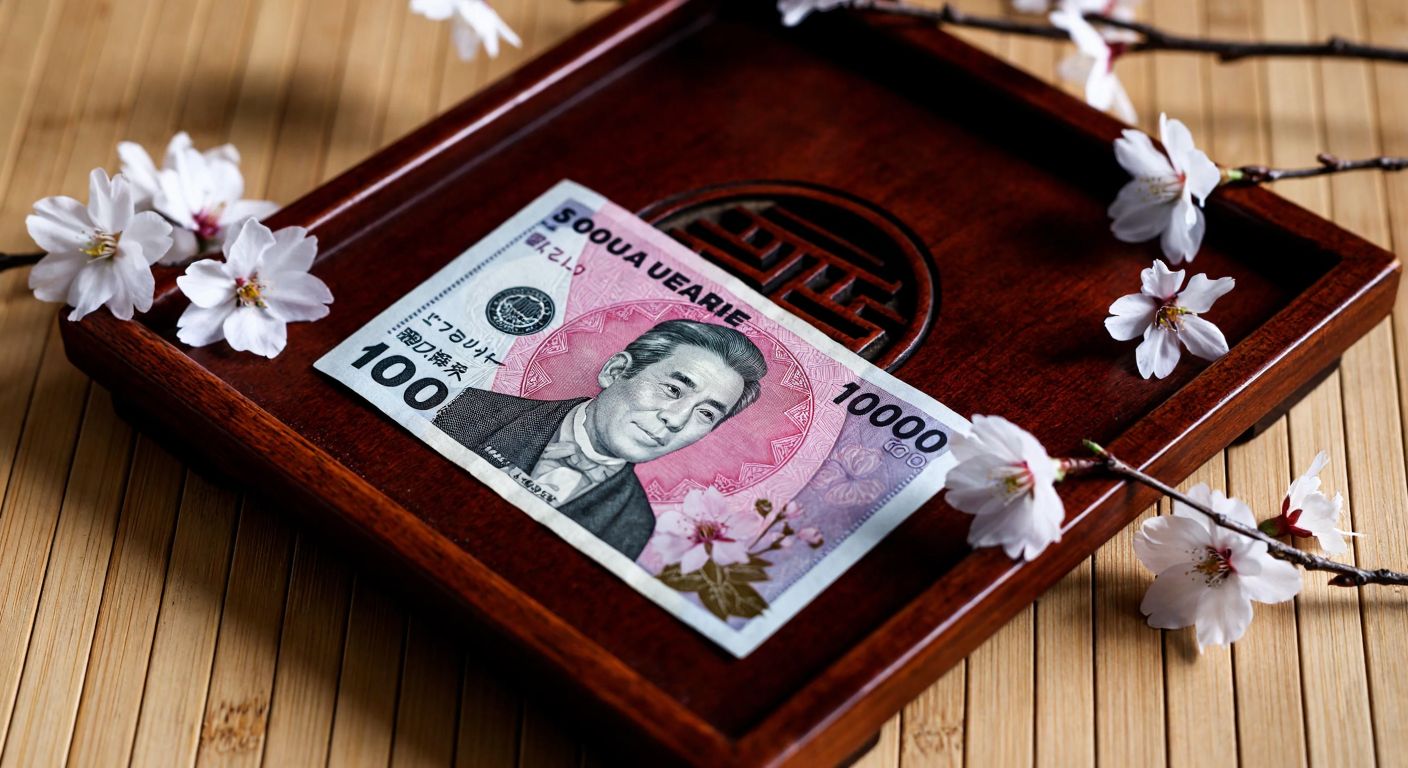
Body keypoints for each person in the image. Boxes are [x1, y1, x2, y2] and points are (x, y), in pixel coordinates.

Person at [432, 319, 768, 560]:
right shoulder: (470, 410)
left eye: (706, 414)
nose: (676, 420)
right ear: (616, 371)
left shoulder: (634, 522)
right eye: (673, 389)